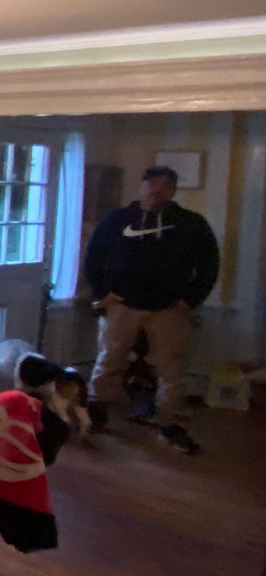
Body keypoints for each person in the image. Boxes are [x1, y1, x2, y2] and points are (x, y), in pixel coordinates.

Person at [82, 165, 220, 454]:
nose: (158, 190)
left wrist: (190, 299)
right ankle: (96, 413)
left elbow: (209, 265)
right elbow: (94, 256)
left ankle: (171, 424)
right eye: (153, 184)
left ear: (172, 191)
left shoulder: (191, 224)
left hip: (170, 309)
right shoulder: (117, 220)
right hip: (122, 306)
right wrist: (101, 294)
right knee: (109, 360)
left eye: (165, 186)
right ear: (142, 186)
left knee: (173, 368)